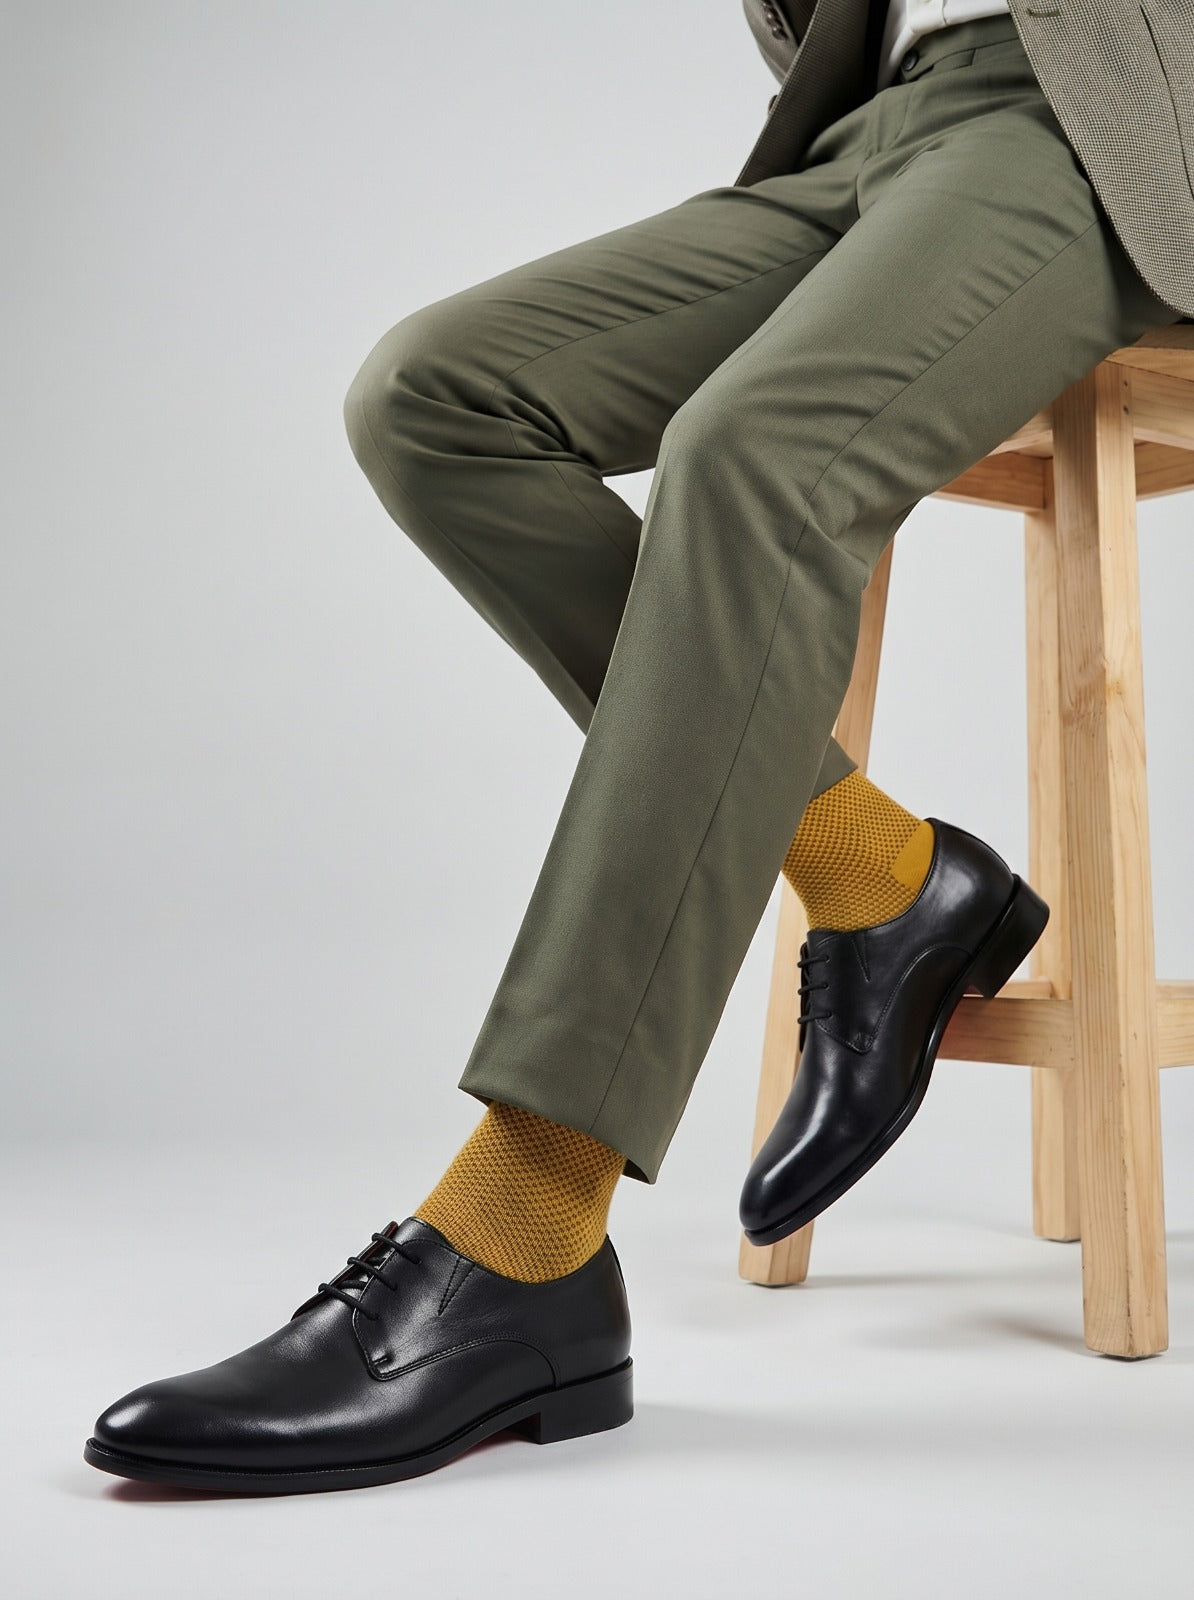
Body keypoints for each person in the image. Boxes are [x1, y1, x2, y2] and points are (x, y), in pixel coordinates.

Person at [84, 1, 1187, 1493]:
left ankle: (526, 1228)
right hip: (882, 118)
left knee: (752, 458)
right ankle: (882, 877)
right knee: (436, 398)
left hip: (1108, 125)